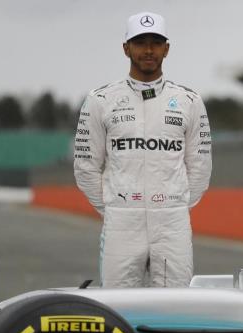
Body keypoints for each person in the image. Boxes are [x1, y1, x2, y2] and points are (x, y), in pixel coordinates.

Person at [74, 11, 212, 288]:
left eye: (156, 43)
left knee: (174, 305)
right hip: (121, 222)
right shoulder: (100, 100)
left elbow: (200, 167)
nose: (148, 50)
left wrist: (173, 205)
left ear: (166, 49)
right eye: (140, 42)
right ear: (126, 48)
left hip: (172, 222)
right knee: (119, 305)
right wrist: (115, 207)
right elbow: (85, 166)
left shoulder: (189, 101)